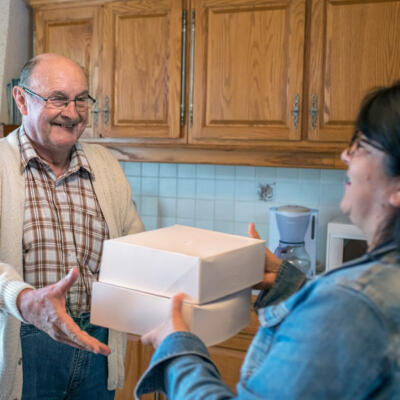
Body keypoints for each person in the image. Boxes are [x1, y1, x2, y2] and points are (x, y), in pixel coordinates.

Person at [135, 81, 400, 399]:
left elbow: (348, 313)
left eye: (363, 147)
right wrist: (289, 284)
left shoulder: (352, 302)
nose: (346, 155)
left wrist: (176, 345)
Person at [0, 53, 144, 399]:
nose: (73, 112)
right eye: (58, 99)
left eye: (81, 99)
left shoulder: (105, 166)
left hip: (97, 340)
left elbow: (135, 245)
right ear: (22, 100)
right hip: (24, 344)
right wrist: (23, 299)